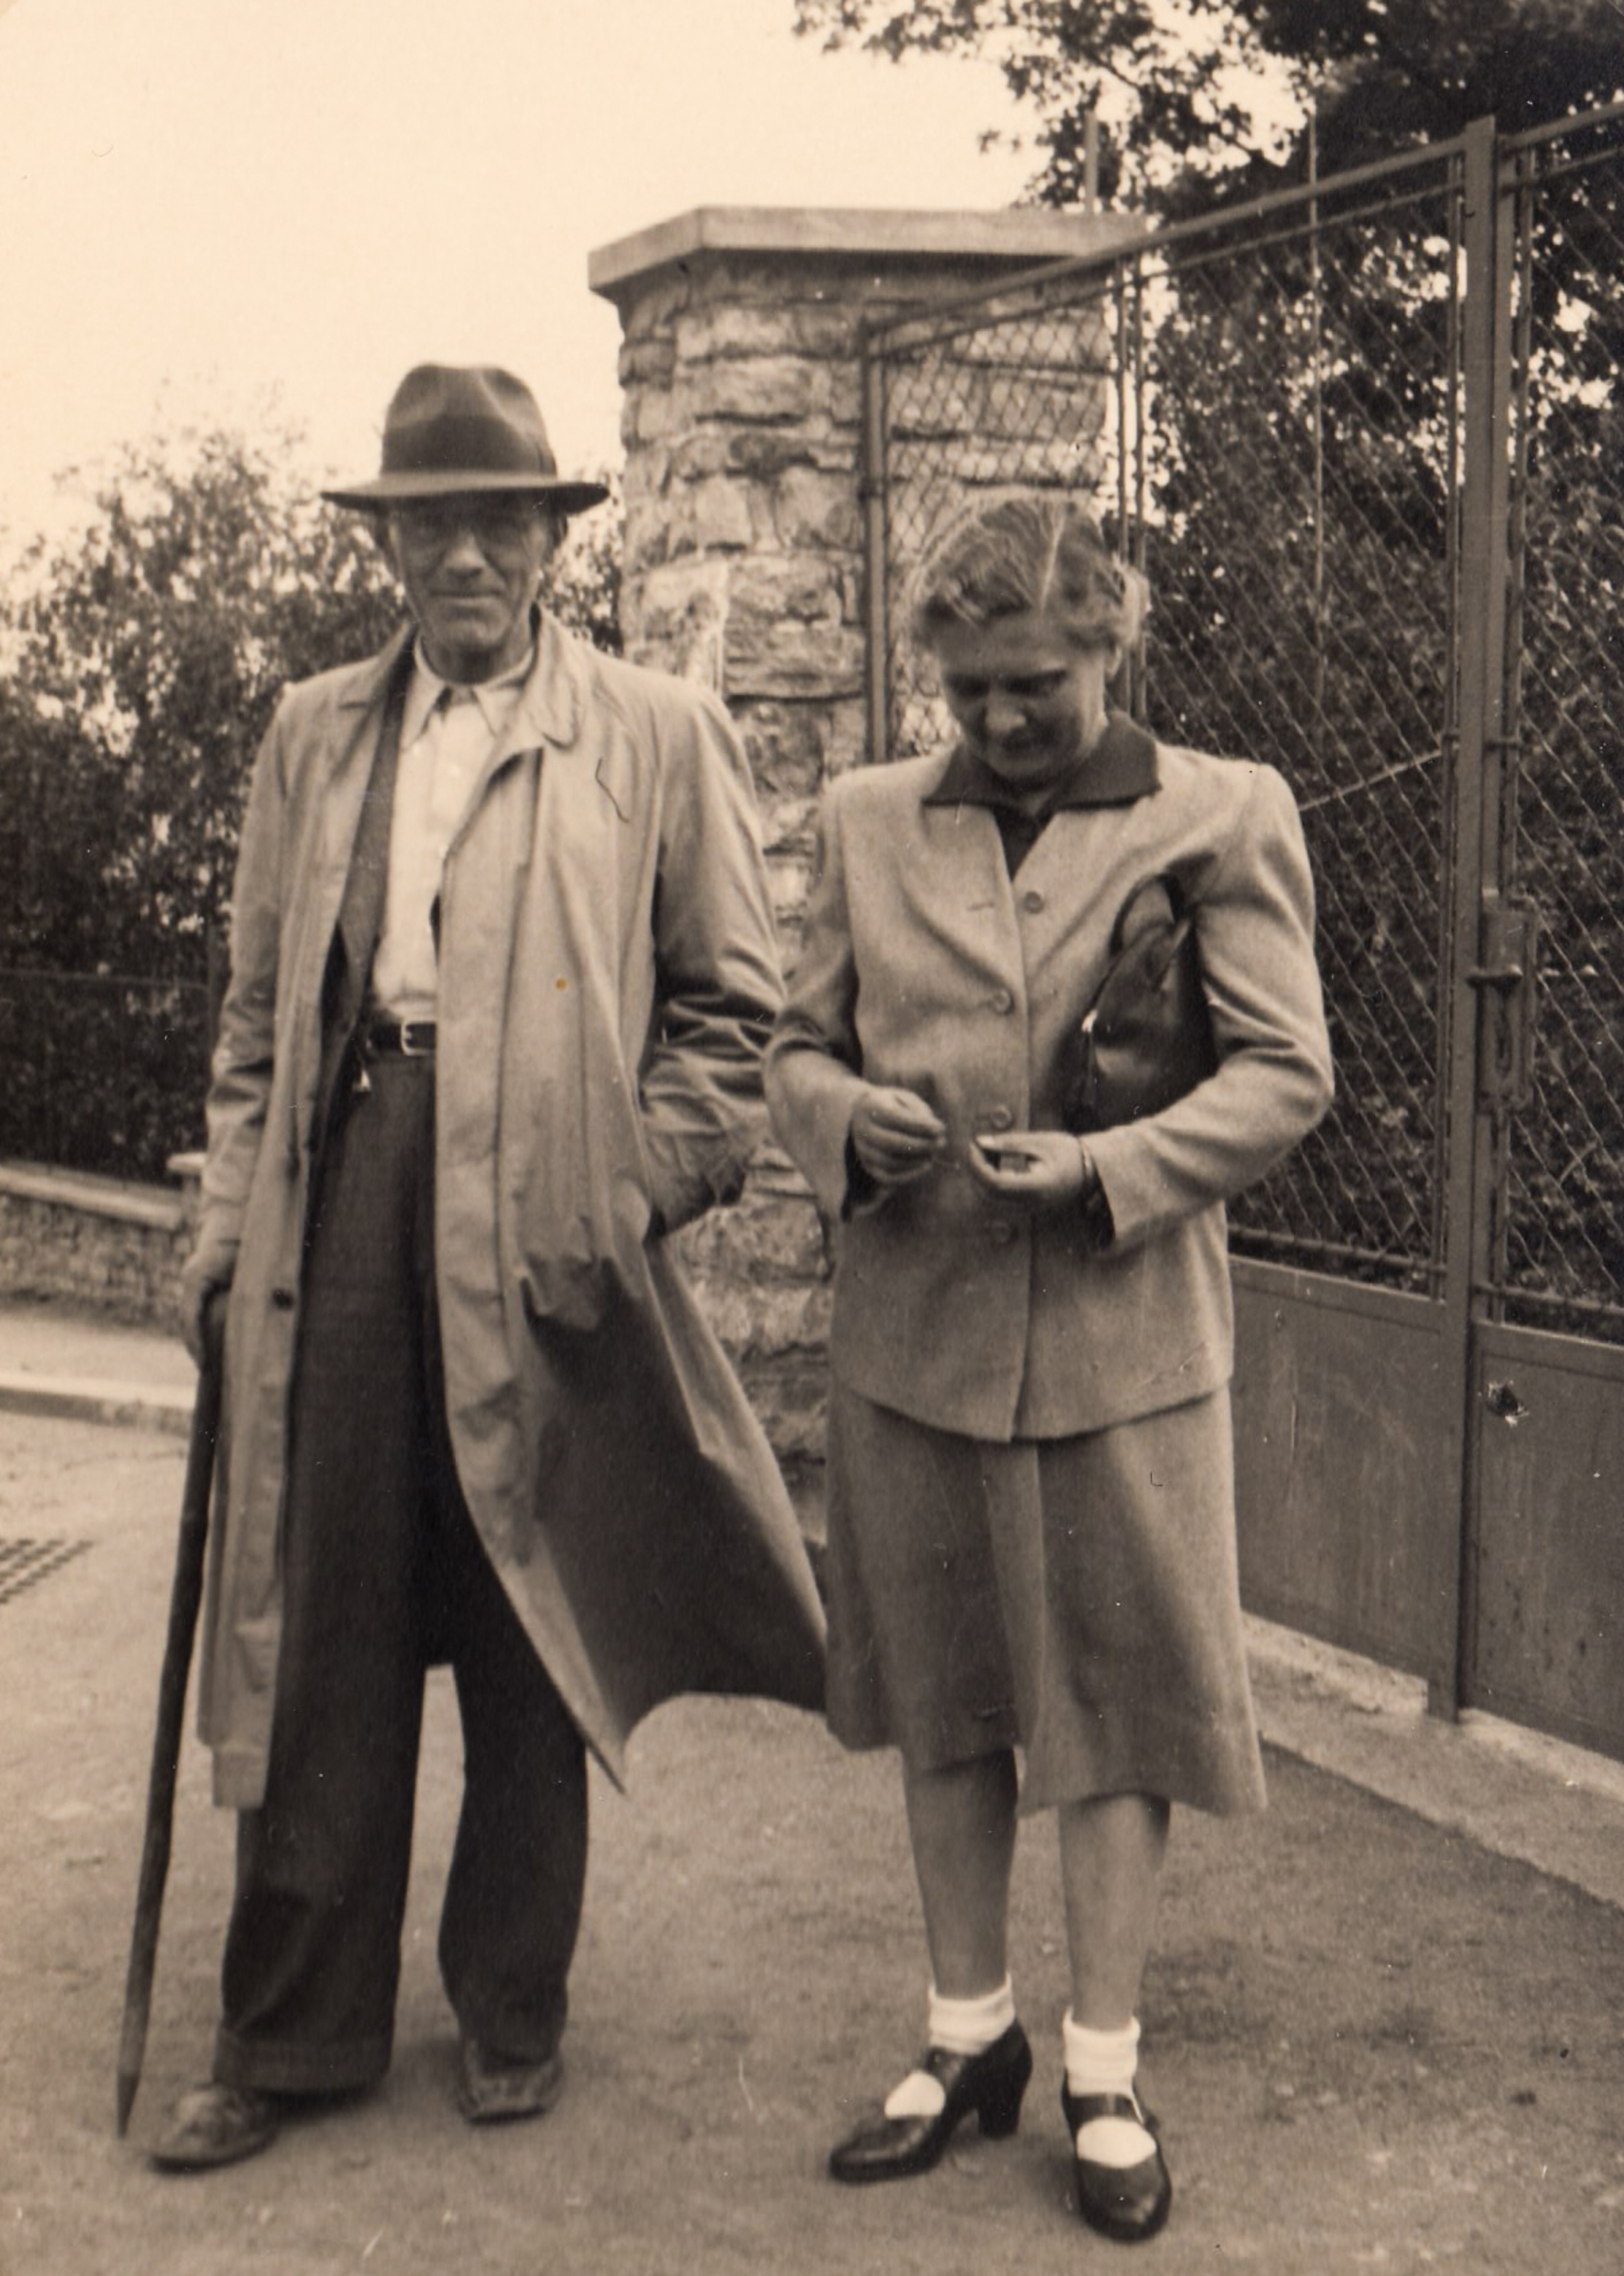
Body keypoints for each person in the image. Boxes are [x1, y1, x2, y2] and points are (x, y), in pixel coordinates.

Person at [151, 364, 826, 2173]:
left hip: (549, 1212)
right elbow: (251, 1024)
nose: (465, 553)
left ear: (550, 541)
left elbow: (731, 1016)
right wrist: (223, 1234)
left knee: (537, 1611)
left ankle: (513, 2004)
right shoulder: (313, 733)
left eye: (499, 521)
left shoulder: (651, 732)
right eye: (432, 522)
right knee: (324, 1615)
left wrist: (631, 1193)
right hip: (348, 1185)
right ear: (388, 544)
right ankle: (288, 2033)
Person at [764, 493, 1333, 2244]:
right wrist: (840, 1121)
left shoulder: (1221, 812)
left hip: (1122, 1346)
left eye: (1037, 683)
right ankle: (965, 2039)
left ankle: (1102, 2069)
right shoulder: (866, 821)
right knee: (943, 1697)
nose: (1002, 719)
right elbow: (793, 1044)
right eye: (969, 692)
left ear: (1111, 643)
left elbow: (1284, 1072)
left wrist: (1106, 1169)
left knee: (1109, 1711)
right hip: (915, 1344)